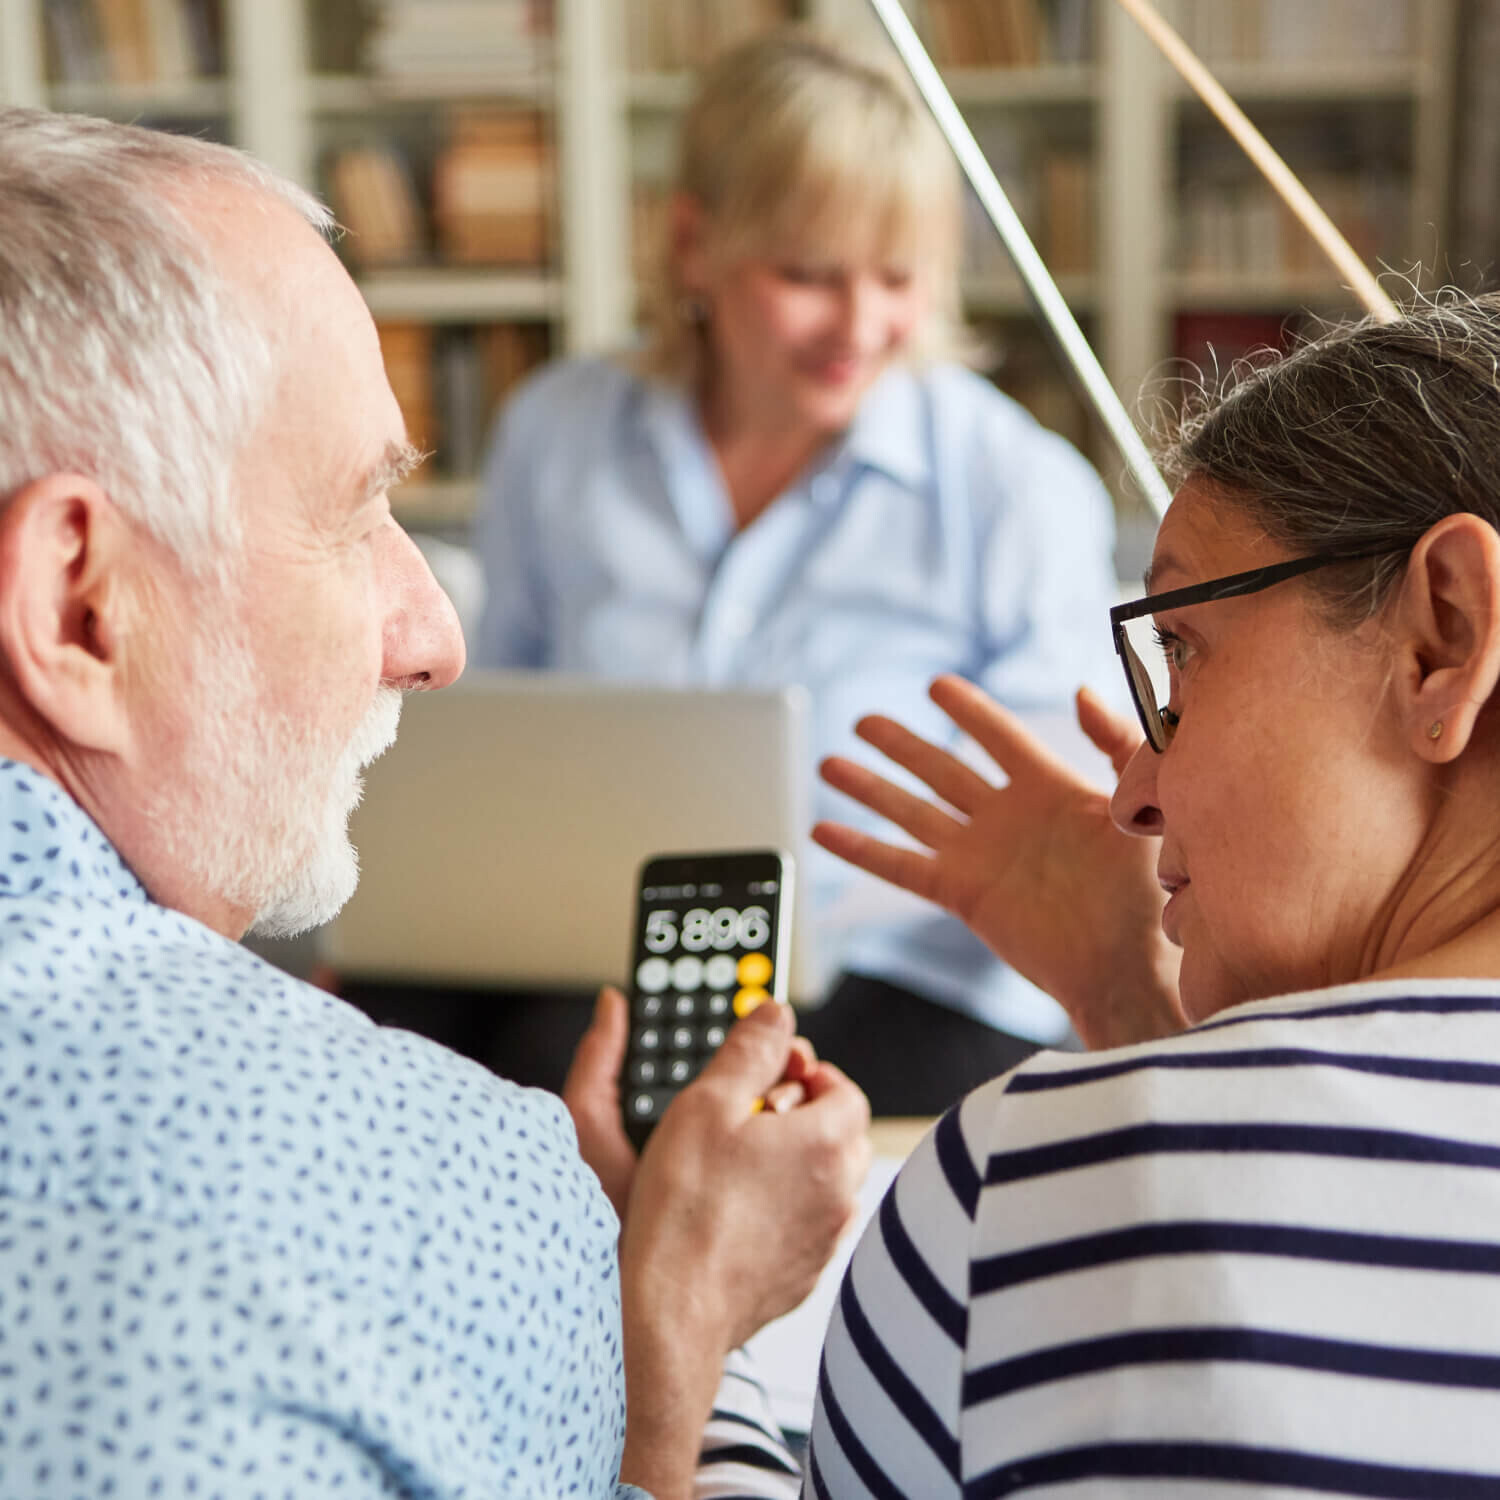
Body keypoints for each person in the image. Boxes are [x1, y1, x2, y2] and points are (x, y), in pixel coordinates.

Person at [0, 106, 871, 1500]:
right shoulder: (462, 1192)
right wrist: (679, 1353)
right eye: (356, 518)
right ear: (75, 604)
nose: (431, 638)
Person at [799, 292, 1500, 1495]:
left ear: (1445, 633)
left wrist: (672, 1367)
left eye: (1181, 651)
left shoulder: (1017, 1197)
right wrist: (1132, 1007)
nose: (1132, 789)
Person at [468, 27, 1122, 1114]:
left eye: (898, 278)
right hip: (605, 951)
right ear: (693, 246)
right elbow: (493, 731)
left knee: (601, 1085)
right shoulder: (558, 432)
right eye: (809, 276)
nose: (860, 327)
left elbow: (1068, 813)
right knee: (392, 1027)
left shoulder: (1015, 485)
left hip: (905, 981)